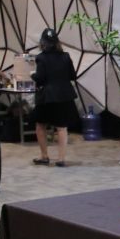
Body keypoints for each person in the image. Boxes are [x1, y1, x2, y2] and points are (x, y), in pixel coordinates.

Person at [31, 28, 78, 167]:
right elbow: (73, 76)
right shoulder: (66, 56)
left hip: (47, 97)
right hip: (64, 95)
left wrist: (32, 75)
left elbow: (40, 78)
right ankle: (61, 159)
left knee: (40, 125)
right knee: (62, 127)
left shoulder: (41, 57)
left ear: (42, 42)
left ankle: (44, 156)